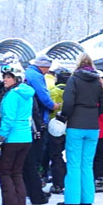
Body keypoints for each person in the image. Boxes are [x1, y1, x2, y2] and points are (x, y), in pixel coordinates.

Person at [58, 53, 103, 205]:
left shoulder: (74, 79)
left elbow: (68, 102)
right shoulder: (97, 82)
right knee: (87, 164)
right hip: (93, 127)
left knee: (73, 164)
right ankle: (87, 200)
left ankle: (72, 200)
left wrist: (65, 116)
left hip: (76, 125)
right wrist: (93, 112)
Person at [0, 62, 34, 205]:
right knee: (16, 173)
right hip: (26, 137)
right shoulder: (26, 93)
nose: (5, 79)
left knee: (5, 173)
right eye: (4, 76)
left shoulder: (11, 95)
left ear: (17, 78)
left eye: (9, 77)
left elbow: (8, 119)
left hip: (12, 138)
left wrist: (0, 137)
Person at [23, 55, 57, 205]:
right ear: (42, 66)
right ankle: (34, 192)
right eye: (47, 68)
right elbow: (43, 95)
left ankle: (28, 189)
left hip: (30, 122)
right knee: (35, 158)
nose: (48, 71)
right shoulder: (36, 76)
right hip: (37, 121)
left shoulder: (29, 73)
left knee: (29, 159)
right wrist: (52, 105)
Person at [46, 67, 71, 195]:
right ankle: (69, 181)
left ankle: (58, 184)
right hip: (70, 128)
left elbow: (48, 108)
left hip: (54, 129)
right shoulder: (73, 93)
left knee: (56, 157)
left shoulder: (53, 92)